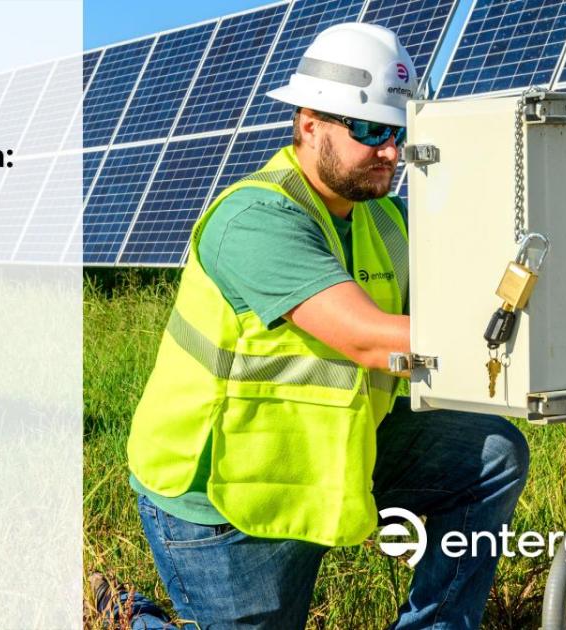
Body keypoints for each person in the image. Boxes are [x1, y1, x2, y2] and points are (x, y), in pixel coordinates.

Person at [113, 23, 530, 629]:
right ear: (310, 125)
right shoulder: (253, 220)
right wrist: (502, 329)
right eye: (369, 130)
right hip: (227, 493)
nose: (390, 150)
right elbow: (366, 336)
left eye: (399, 131)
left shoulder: (383, 218)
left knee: (490, 454)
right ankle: (129, 617)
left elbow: (451, 290)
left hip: (331, 458)